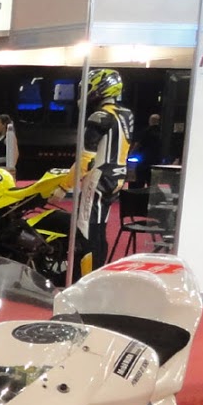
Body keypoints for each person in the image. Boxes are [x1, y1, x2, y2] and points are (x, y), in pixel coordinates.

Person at [74, 68, 133, 277]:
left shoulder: (100, 116)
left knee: (87, 231)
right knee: (99, 228)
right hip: (117, 175)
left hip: (97, 177)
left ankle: (86, 280)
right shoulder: (126, 114)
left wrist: (65, 184)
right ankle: (97, 274)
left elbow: (85, 156)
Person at [131, 112, 162, 188]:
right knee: (152, 183)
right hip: (156, 161)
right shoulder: (162, 133)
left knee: (140, 181)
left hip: (144, 160)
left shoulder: (145, 131)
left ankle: (139, 194)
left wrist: (131, 154)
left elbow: (138, 144)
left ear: (150, 121)